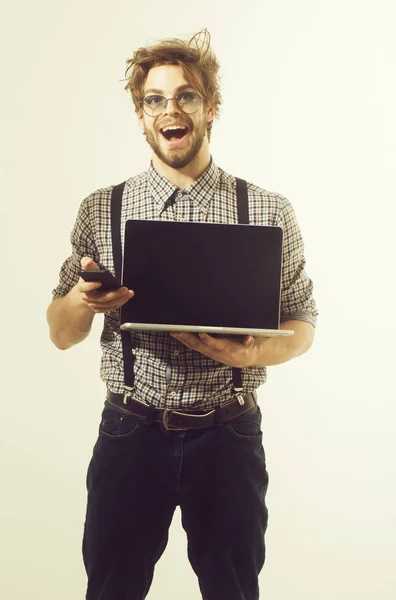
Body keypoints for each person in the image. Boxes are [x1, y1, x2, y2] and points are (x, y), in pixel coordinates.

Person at [47, 28, 318, 600]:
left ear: (209, 107)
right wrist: (81, 301)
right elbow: (60, 333)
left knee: (233, 590)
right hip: (130, 431)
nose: (171, 109)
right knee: (112, 590)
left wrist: (253, 351)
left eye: (186, 96)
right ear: (141, 115)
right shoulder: (104, 208)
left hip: (229, 433)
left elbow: (302, 323)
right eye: (155, 99)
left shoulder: (266, 210)